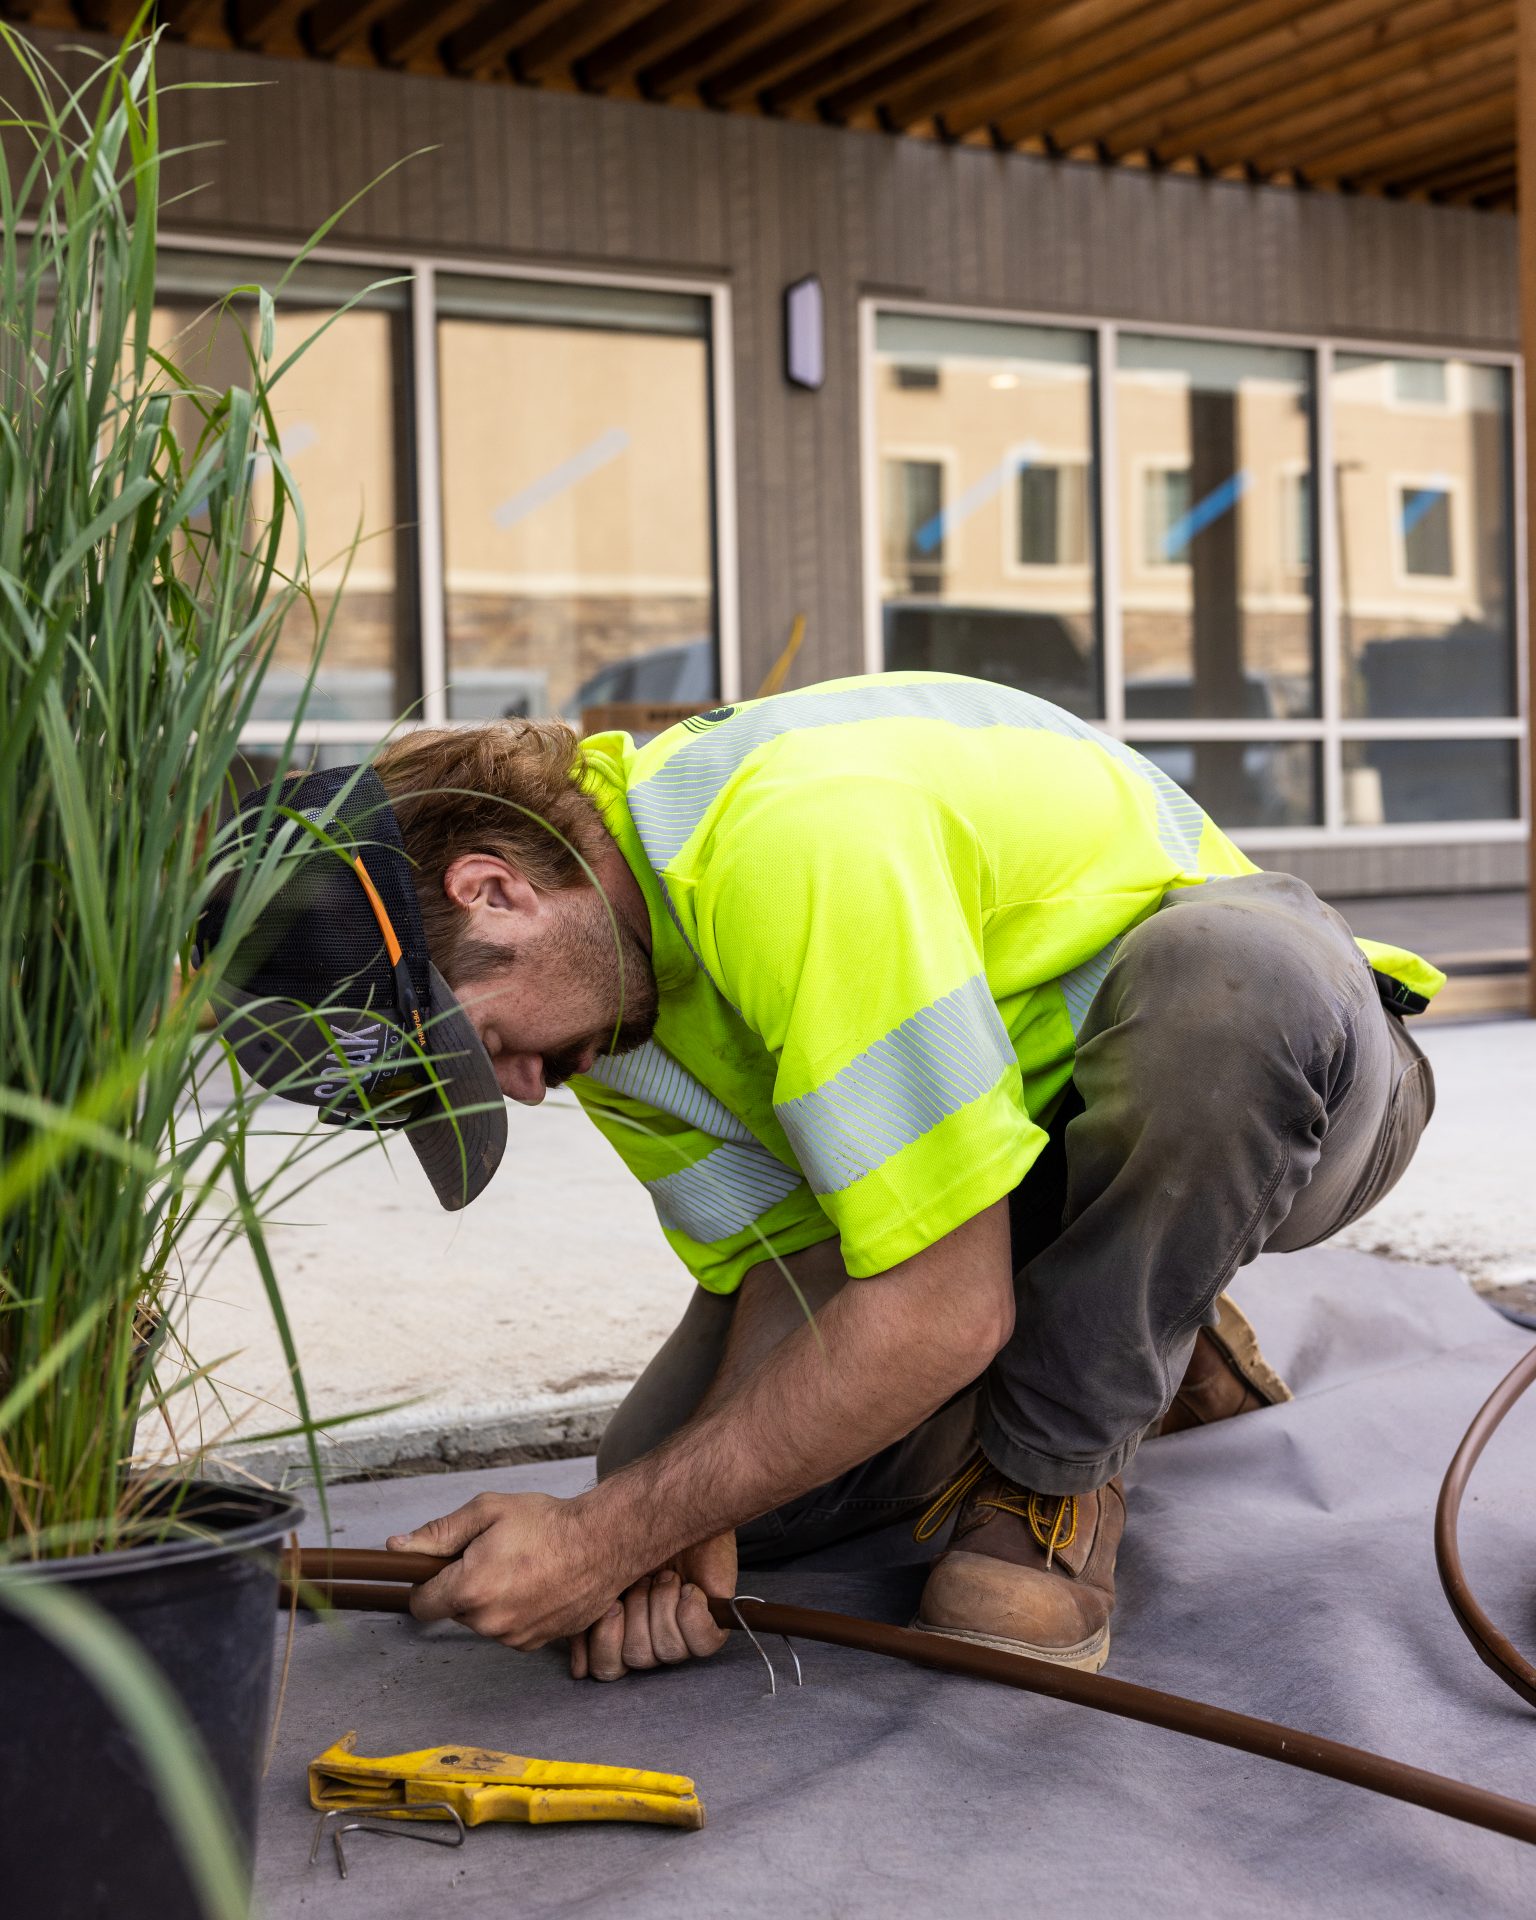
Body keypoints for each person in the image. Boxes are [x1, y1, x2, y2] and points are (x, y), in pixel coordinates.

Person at [212, 673, 1439, 1681]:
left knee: (1224, 976)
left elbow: (936, 1310)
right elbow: (793, 1262)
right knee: (675, 1465)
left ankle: (1052, 1475)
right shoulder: (607, 998)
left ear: (496, 887)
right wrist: (664, 1520)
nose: (524, 1090)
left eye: (484, 1047)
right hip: (1011, 1171)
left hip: (1297, 1076)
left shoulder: (789, 837)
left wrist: (603, 1543)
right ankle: (1125, 1336)